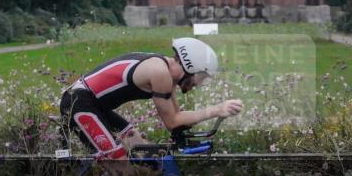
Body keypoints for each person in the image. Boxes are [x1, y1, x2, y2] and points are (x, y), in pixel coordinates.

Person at [60, 37, 242, 159]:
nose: (198, 84)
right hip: (79, 103)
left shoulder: (167, 72)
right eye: (201, 77)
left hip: (95, 106)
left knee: (144, 153)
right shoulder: (160, 73)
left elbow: (177, 118)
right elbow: (172, 122)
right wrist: (216, 109)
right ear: (191, 67)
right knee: (121, 167)